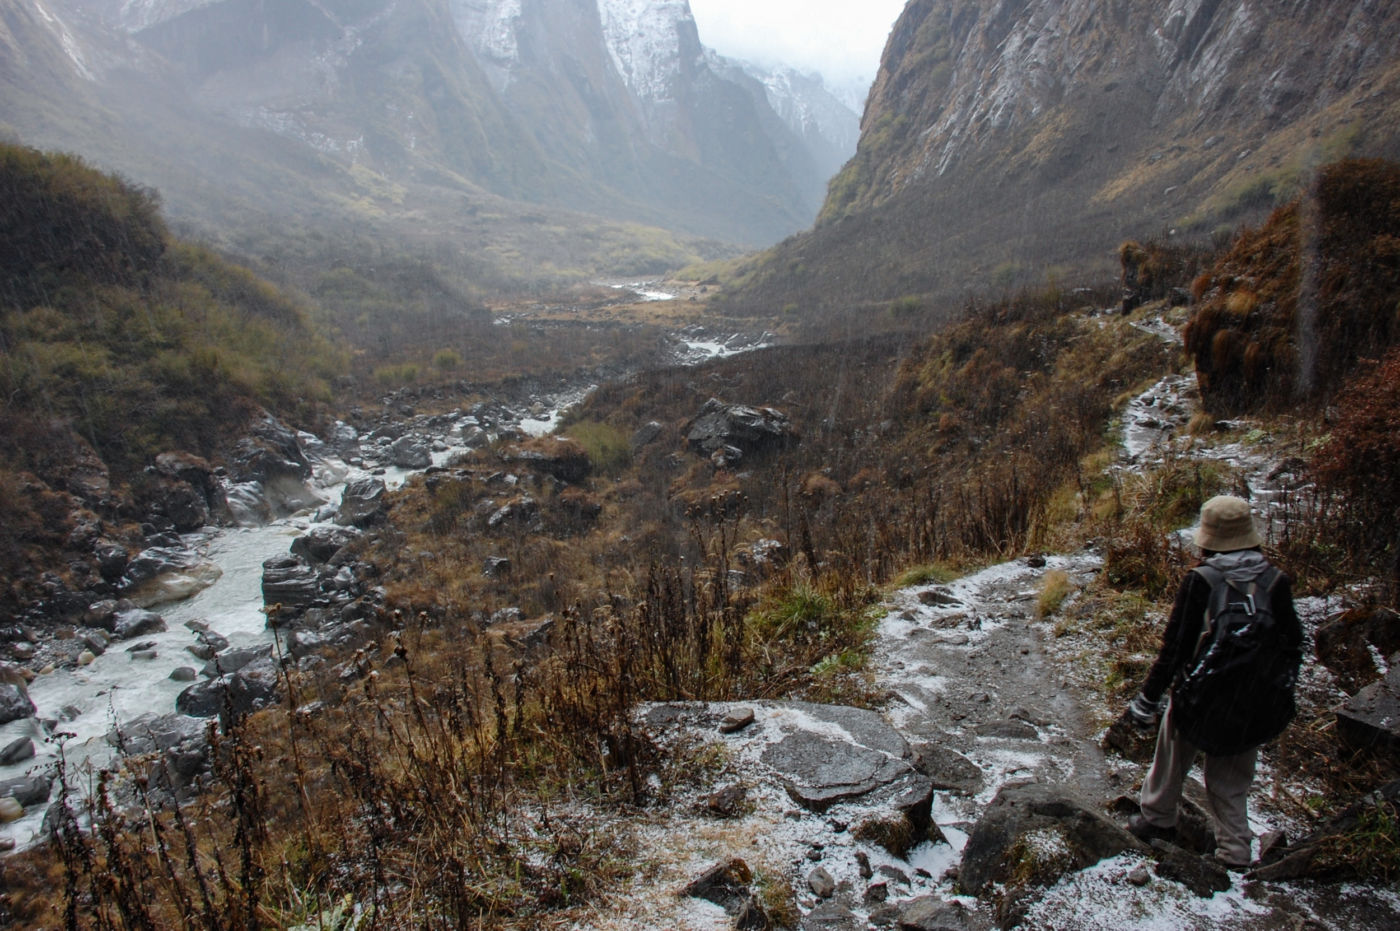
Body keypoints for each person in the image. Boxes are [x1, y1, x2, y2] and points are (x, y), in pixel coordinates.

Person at [1124, 495, 1302, 869]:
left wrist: (1146, 700)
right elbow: (1293, 644)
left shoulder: (1202, 580)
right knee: (1232, 777)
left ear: (1208, 537)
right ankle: (1235, 850)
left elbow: (1175, 649)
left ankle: (1157, 818)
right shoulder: (1275, 580)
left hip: (1199, 697)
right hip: (1253, 701)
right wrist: (1279, 693)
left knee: (1173, 746)